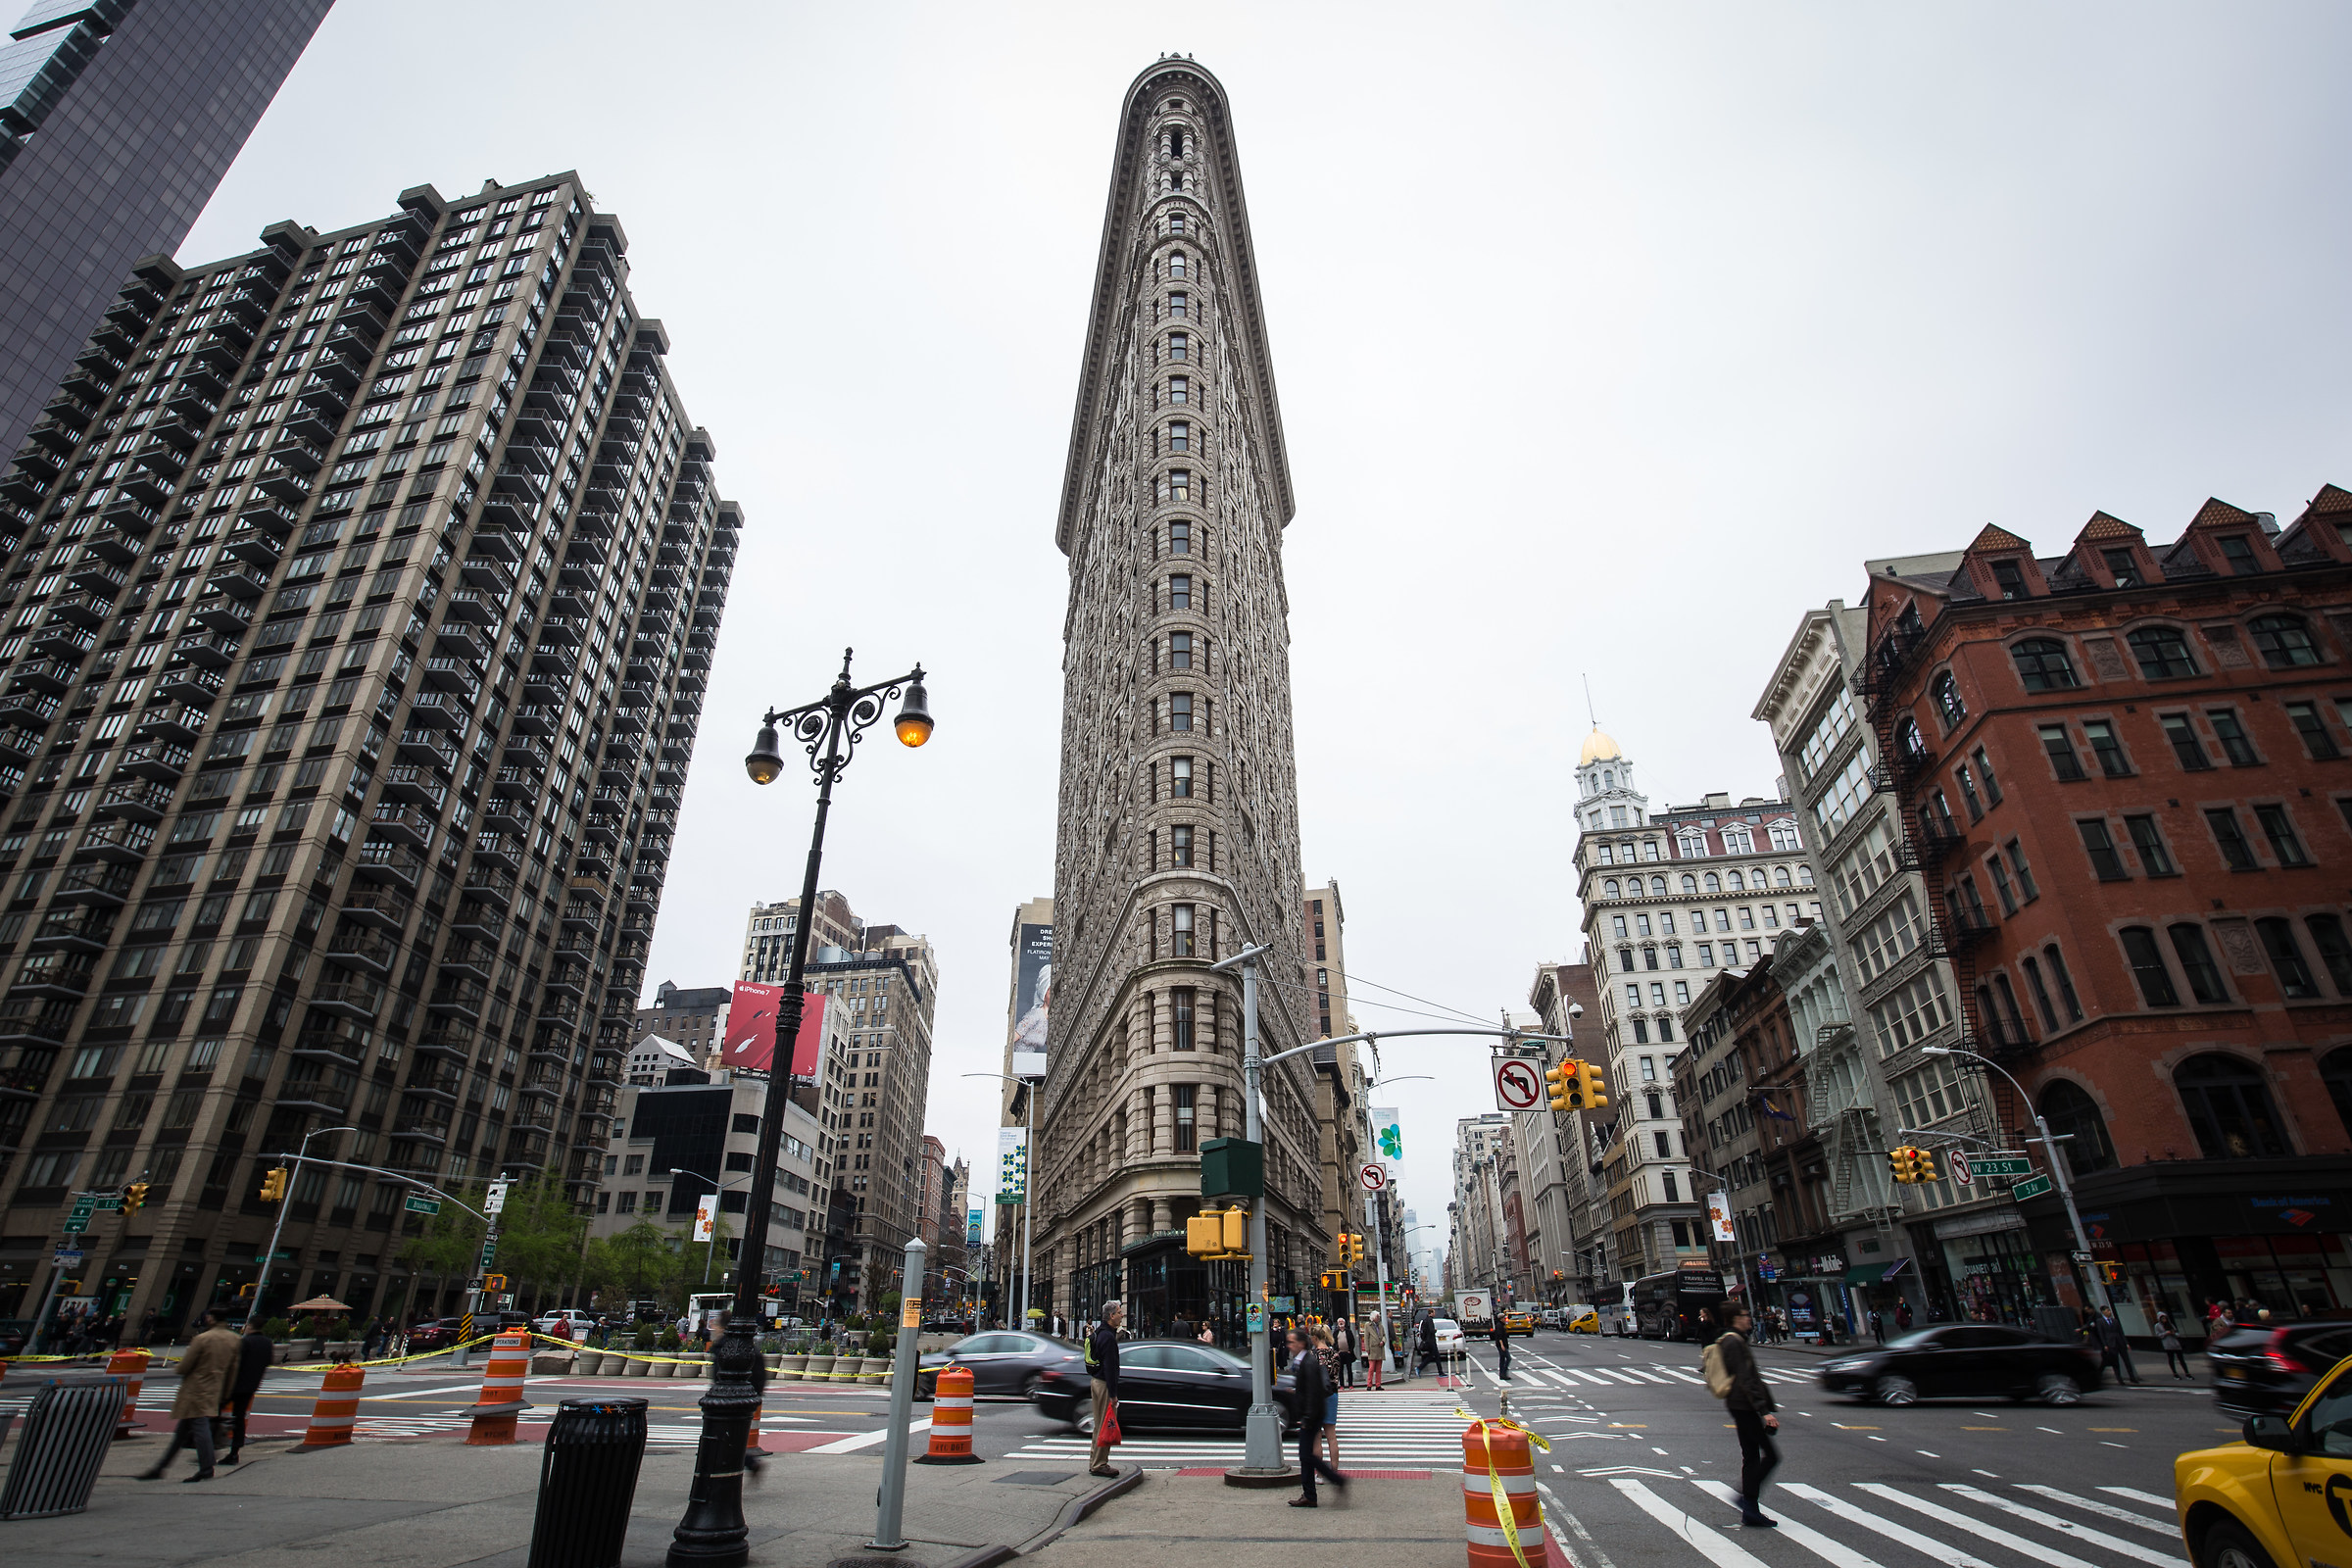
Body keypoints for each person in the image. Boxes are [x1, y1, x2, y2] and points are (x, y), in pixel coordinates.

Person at [141, 1311, 239, 1483]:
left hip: (196, 1388)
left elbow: (184, 1366)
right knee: (182, 1432)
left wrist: (180, 1368)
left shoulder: (203, 1338)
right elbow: (233, 1370)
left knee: (199, 1428)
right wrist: (226, 1393)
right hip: (215, 1388)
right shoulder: (234, 1339)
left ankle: (206, 1467)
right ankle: (160, 1468)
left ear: (211, 1318)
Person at [1711, 1302, 1779, 1528]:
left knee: (1751, 1457)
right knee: (1770, 1455)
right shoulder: (1733, 1341)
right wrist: (1764, 1411)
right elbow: (1746, 1379)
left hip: (1741, 1404)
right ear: (1735, 1318)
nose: (1749, 1318)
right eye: (1744, 1315)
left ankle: (1750, 1510)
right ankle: (1745, 1499)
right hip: (1744, 1405)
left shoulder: (1735, 1339)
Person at [1285, 1327, 1348, 1507]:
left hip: (1311, 1415)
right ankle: (1311, 1493)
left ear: (1301, 1343)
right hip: (1313, 1413)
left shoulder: (1309, 1362)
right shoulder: (1306, 1360)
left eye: (1292, 1342)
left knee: (1307, 1455)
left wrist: (1307, 1417)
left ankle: (1325, 1486)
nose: (1289, 1345)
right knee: (1307, 1455)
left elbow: (1313, 1392)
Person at [222, 1317, 274, 1465]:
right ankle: (234, 1451)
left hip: (235, 1385)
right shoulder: (267, 1343)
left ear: (250, 1326)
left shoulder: (245, 1342)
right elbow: (269, 1362)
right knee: (239, 1419)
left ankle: (209, 1446)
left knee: (216, 1414)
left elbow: (234, 1364)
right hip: (251, 1386)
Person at [1084, 1299, 1123, 1478]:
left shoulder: (1101, 1333)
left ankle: (1095, 1461)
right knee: (1105, 1424)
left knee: (1099, 1423)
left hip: (1097, 1382)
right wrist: (1113, 1395)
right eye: (1119, 1312)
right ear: (1112, 1316)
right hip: (1103, 1384)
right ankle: (1100, 1464)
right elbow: (1110, 1367)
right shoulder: (1107, 1337)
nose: (1122, 1315)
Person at [1311, 1326, 1344, 1472]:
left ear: (1315, 1338)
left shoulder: (1312, 1355)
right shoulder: (1335, 1354)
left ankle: (1319, 1474)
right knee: (1331, 1436)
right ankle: (1334, 1470)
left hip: (1316, 1396)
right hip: (1331, 1394)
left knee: (1317, 1437)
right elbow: (1336, 1375)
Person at [2094, 1306, 2140, 1385]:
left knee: (2127, 1361)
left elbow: (2121, 1332)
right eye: (2107, 1311)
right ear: (2103, 1312)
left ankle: (2132, 1377)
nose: (2109, 1312)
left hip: (2120, 1342)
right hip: (2110, 1344)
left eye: (2109, 1310)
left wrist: (2126, 1343)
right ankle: (2119, 1379)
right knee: (2115, 1362)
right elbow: (2101, 1334)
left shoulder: (2115, 1321)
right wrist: (2105, 1344)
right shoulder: (2100, 1321)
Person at [2156, 1309, 2190, 1379]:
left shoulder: (2170, 1324)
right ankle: (2175, 1373)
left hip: (2176, 1344)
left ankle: (2187, 1373)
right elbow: (2158, 1335)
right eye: (2162, 1318)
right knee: (2171, 1359)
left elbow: (2177, 1333)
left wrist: (2174, 1333)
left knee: (2181, 1359)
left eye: (2165, 1318)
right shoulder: (2157, 1326)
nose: (2164, 1320)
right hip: (2168, 1345)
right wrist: (2165, 1333)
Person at [1364, 1311, 1387, 1392]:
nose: (1378, 1318)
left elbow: (1384, 1335)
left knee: (1378, 1369)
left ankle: (1378, 1384)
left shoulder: (1380, 1326)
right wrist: (1367, 1348)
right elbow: (1366, 1337)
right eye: (1377, 1317)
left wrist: (1383, 1341)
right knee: (1371, 1368)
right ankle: (1369, 1384)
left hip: (1380, 1349)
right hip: (1372, 1349)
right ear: (1373, 1318)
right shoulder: (1368, 1325)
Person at [1334, 1317, 1357, 1389]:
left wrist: (1350, 1350)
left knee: (1349, 1369)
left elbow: (1352, 1341)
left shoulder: (1348, 1331)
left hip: (1348, 1353)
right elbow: (1333, 1342)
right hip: (1340, 1353)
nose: (1341, 1323)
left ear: (1344, 1323)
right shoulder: (1336, 1332)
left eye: (1342, 1322)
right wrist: (1336, 1351)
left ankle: (1350, 1384)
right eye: (1339, 1322)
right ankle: (1342, 1385)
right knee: (1340, 1370)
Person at [1416, 1311, 1439, 1379]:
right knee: (1433, 1356)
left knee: (1435, 1356)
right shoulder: (1429, 1320)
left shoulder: (1425, 1320)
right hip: (1431, 1341)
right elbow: (1431, 1330)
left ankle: (1440, 1372)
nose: (1435, 1314)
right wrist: (1435, 1330)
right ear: (1431, 1313)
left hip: (1428, 1341)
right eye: (1434, 1312)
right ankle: (1419, 1368)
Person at [1491, 1308, 1511, 1380]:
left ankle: (1502, 1374)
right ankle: (1503, 1372)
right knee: (1508, 1358)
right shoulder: (1499, 1325)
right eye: (1504, 1318)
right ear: (1501, 1319)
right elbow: (1499, 1336)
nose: (1505, 1319)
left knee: (1502, 1359)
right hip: (1501, 1345)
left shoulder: (1501, 1325)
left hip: (1503, 1344)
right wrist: (1502, 1345)